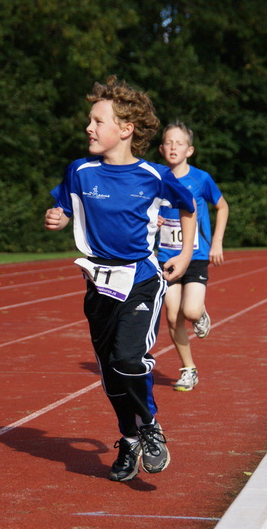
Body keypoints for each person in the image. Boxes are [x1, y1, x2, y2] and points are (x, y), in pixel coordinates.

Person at [44, 76, 196, 482]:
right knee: (112, 374)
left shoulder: (154, 175)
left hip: (141, 280)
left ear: (125, 129)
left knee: (129, 359)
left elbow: (188, 206)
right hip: (98, 285)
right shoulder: (79, 171)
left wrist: (184, 254)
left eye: (97, 121)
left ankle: (149, 426)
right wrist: (57, 218)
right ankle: (129, 438)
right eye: (89, 121)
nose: (88, 128)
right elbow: (61, 207)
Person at [157, 122, 229, 391]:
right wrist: (154, 218)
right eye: (168, 142)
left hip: (196, 254)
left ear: (190, 150)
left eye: (179, 143)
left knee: (190, 310)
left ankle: (200, 314)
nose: (173, 147)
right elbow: (144, 210)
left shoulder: (201, 179)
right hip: (166, 256)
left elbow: (222, 207)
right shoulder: (155, 178)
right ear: (161, 148)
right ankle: (189, 369)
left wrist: (217, 243)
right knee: (173, 315)